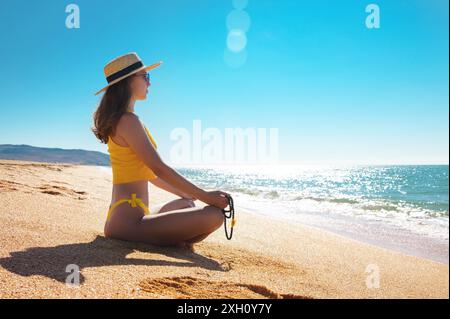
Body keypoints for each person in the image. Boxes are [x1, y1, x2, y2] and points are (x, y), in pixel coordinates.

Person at [91, 52, 229, 248]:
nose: (150, 83)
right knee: (215, 215)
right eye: (145, 77)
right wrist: (205, 196)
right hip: (128, 223)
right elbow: (159, 168)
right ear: (129, 81)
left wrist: (185, 194)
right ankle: (166, 238)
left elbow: (150, 175)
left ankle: (166, 236)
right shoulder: (128, 121)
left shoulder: (126, 120)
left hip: (129, 215)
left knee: (186, 204)